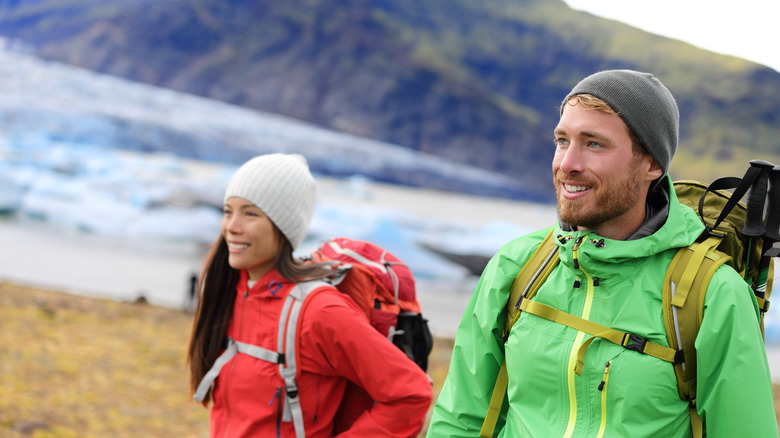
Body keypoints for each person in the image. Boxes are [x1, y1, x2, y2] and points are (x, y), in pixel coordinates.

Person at [427, 70, 778, 437]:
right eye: (562, 141)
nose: (567, 163)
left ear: (652, 164)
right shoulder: (518, 266)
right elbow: (460, 419)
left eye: (594, 144)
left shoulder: (712, 294)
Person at [187, 153, 433, 437]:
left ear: (284, 226)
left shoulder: (319, 310)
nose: (232, 226)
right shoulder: (233, 291)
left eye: (250, 213)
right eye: (228, 211)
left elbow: (411, 394)